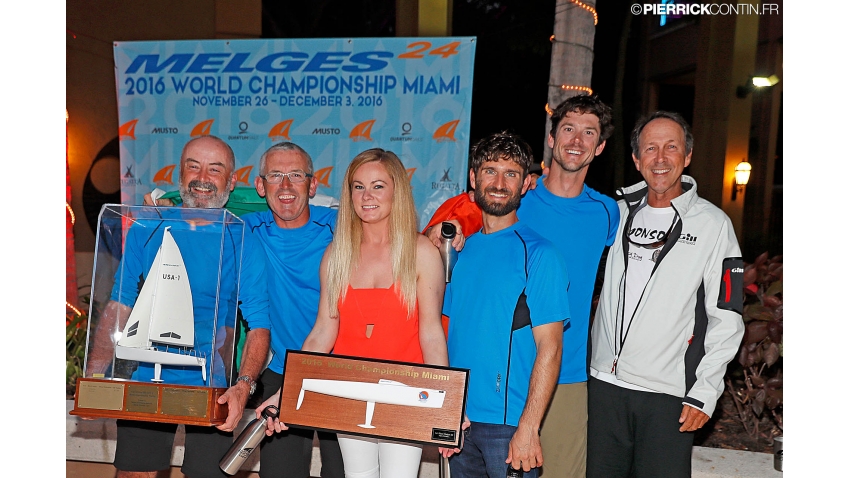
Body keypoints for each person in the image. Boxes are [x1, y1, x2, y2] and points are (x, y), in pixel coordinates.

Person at [425, 95, 618, 477]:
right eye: (568, 128)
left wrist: (528, 425)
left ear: (600, 146)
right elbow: (457, 222)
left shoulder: (606, 212)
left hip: (557, 376)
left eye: (588, 132)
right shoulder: (493, 220)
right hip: (472, 404)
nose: (577, 140)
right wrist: (439, 231)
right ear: (551, 138)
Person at [259, 148, 449, 478]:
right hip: (350, 391)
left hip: (405, 395)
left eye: (378, 186)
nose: (367, 196)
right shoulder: (337, 254)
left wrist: (447, 401)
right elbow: (322, 332)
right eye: (358, 187)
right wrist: (285, 390)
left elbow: (432, 333)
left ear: (396, 191)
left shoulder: (422, 252)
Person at [88, 135, 271, 478]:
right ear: (180, 174)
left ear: (231, 181)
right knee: (135, 474)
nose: (203, 177)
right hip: (145, 378)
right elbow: (120, 302)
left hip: (212, 387)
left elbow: (259, 322)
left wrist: (242, 387)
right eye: (193, 166)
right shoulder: (146, 226)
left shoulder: (243, 238)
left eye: (215, 169)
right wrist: (96, 374)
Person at [587, 111, 745, 477]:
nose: (660, 158)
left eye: (671, 147)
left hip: (668, 395)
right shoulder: (615, 212)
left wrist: (705, 390)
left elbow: (728, 314)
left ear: (687, 156)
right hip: (604, 387)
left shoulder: (713, 225)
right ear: (636, 159)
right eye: (651, 148)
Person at [442, 132, 570, 477]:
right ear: (473, 178)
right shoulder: (459, 254)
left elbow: (551, 348)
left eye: (511, 173)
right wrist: (444, 410)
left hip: (508, 426)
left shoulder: (540, 254)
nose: (499, 183)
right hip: (459, 421)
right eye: (489, 171)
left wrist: (528, 427)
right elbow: (447, 333)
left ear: (527, 183)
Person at [242, 142, 344, 478]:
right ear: (260, 186)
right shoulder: (246, 230)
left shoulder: (343, 227)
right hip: (281, 371)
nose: (286, 186)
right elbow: (198, 217)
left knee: (344, 472)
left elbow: (398, 233)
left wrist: (437, 231)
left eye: (296, 175)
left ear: (313, 185)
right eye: (275, 176)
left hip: (339, 372)